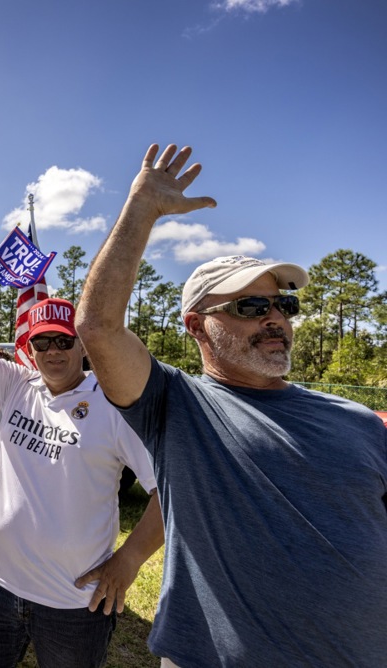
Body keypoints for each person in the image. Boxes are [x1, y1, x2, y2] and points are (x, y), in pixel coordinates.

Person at [74, 144, 387, 667]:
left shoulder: (357, 419)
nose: (275, 318)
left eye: (283, 304)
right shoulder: (177, 405)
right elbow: (98, 328)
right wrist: (143, 208)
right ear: (197, 326)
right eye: (251, 305)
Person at [0, 278, 164, 668]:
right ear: (29, 349)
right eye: (42, 342)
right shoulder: (17, 384)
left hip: (73, 606)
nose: (53, 351)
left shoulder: (113, 405)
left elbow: (168, 491)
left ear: (82, 344)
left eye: (63, 340)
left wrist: (129, 560)